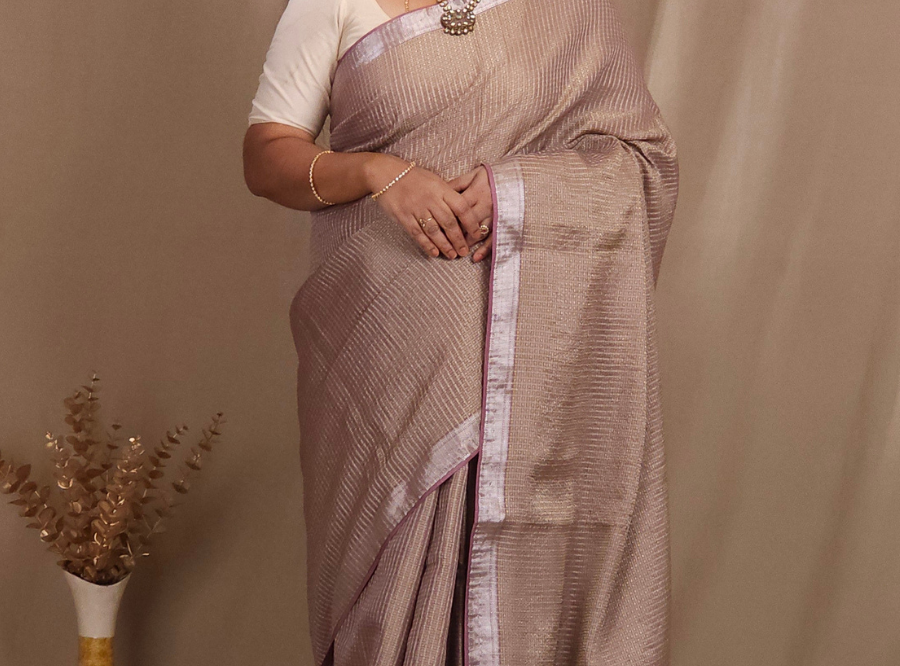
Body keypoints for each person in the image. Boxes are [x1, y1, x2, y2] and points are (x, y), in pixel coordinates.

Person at [242, 0, 680, 663]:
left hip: (542, 364)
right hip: (389, 355)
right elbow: (266, 156)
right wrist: (379, 173)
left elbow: (641, 160)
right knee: (391, 587)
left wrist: (520, 194)